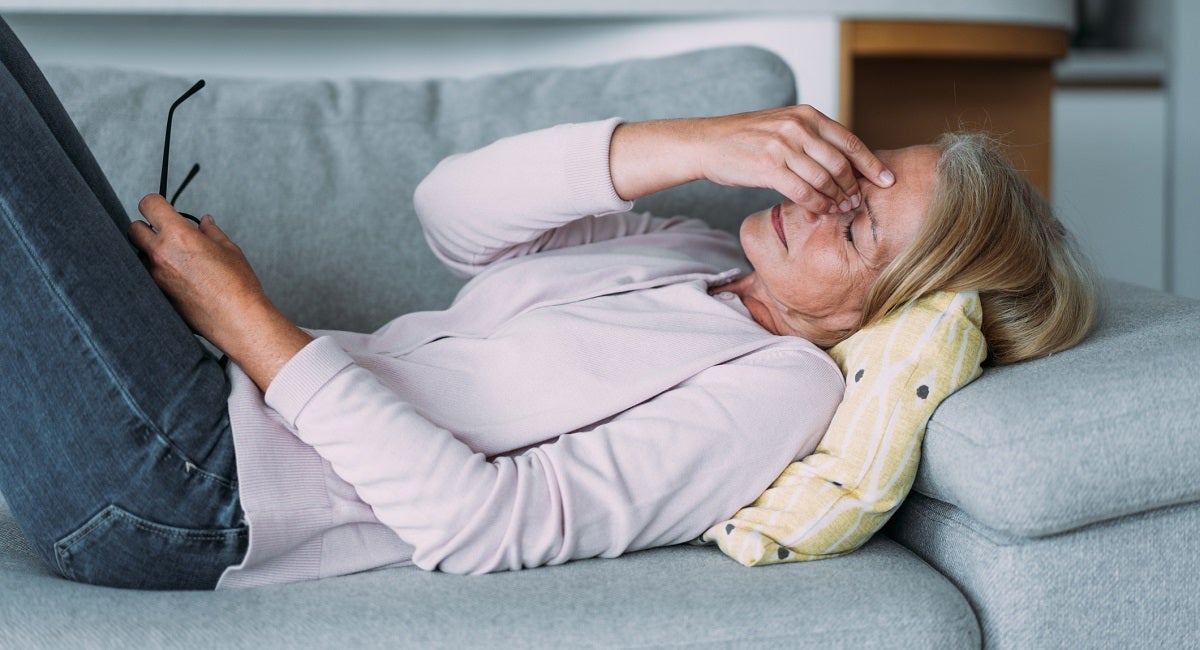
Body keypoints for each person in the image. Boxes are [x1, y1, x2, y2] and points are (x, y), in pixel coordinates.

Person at [0, 18, 1099, 591]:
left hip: (193, 489)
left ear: (884, 310)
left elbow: (485, 526)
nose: (819, 194)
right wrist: (697, 141)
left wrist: (248, 319)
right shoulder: (693, 252)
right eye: (854, 167)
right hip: (205, 399)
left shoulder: (777, 390)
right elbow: (451, 212)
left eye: (855, 223)